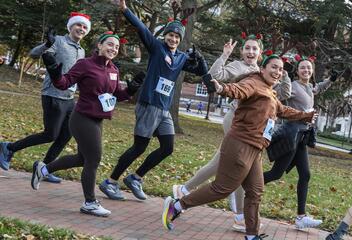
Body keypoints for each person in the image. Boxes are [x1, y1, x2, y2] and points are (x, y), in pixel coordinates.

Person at [162, 54, 317, 240]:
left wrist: (304, 116)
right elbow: (237, 89)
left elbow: (282, 110)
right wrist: (220, 88)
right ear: (263, 69)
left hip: (256, 150)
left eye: (280, 69)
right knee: (222, 188)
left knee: (255, 192)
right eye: (273, 67)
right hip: (240, 145)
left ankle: (252, 236)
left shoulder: (269, 91)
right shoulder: (253, 82)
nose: (278, 72)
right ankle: (177, 206)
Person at [172, 37, 292, 232]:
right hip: (236, 121)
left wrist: (284, 74)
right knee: (237, 169)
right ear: (242, 51)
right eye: (247, 48)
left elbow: (285, 95)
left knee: (222, 163)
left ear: (260, 53)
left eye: (255, 49)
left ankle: (184, 190)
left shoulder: (268, 70)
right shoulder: (238, 67)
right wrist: (224, 55)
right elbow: (213, 75)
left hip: (254, 128)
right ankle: (238, 215)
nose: (251, 51)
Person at [98, 0, 208, 201]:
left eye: (177, 36)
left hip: (164, 109)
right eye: (170, 35)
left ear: (180, 39)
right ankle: (110, 181)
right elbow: (141, 29)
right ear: (165, 36)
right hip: (149, 103)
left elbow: (201, 71)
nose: (173, 39)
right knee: (139, 147)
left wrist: (199, 58)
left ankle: (135, 178)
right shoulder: (157, 48)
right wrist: (125, 10)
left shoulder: (181, 58)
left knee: (167, 148)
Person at [30, 31, 142, 217]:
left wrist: (131, 89)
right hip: (82, 117)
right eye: (109, 44)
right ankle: (89, 202)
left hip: (98, 120)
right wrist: (55, 72)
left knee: (82, 159)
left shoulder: (113, 69)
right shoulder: (85, 64)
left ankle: (43, 169)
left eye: (116, 46)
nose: (113, 48)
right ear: (99, 45)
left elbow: (116, 96)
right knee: (94, 159)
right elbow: (64, 83)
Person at [0, 12, 91, 184]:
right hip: (53, 95)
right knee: (51, 134)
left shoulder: (82, 50)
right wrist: (47, 44)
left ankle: (45, 168)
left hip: (70, 98)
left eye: (85, 27)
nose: (81, 29)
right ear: (71, 26)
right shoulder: (58, 41)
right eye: (78, 25)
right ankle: (9, 147)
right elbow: (33, 54)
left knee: (66, 135)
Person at [263, 54, 338, 229]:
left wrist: (331, 80)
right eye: (303, 67)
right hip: (291, 136)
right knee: (276, 174)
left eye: (309, 68)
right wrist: (286, 76)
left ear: (311, 72)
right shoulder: (295, 87)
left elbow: (319, 88)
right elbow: (281, 95)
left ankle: (301, 217)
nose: (306, 70)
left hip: (302, 138)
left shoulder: (309, 87)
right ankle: (246, 184)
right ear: (297, 71)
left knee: (305, 175)